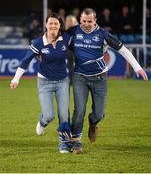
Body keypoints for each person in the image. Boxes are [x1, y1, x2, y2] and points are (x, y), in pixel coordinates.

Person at [67, 8, 148, 154]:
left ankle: (93, 125)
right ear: (80, 19)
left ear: (95, 20)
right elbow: (56, 41)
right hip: (80, 77)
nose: (86, 24)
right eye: (84, 21)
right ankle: (76, 142)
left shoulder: (102, 34)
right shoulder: (73, 32)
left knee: (98, 114)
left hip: (100, 78)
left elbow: (122, 49)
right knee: (79, 110)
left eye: (90, 21)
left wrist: (137, 68)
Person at [10, 13, 72, 154]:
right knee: (49, 115)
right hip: (45, 82)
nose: (53, 26)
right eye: (50, 23)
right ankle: (43, 122)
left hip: (63, 81)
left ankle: (63, 144)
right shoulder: (38, 43)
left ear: (59, 26)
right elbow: (25, 61)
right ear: (46, 25)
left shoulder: (66, 39)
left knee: (64, 114)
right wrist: (15, 79)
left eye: (56, 23)